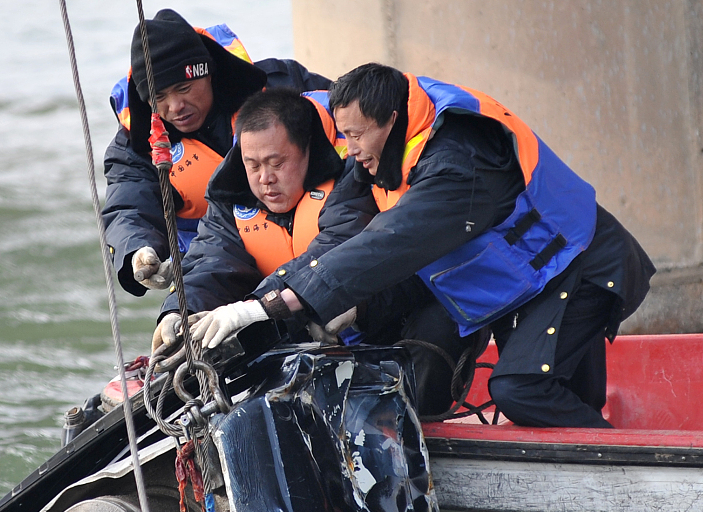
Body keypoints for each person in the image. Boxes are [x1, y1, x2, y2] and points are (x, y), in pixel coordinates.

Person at [192, 63, 655, 428]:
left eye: (354, 136)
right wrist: (311, 307)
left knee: (519, 389)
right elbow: (343, 238)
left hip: (586, 265)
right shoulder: (378, 153)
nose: (347, 149)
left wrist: (263, 306)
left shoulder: (458, 165)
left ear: (391, 121)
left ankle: (632, 476)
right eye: (342, 135)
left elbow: (386, 245)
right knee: (568, 400)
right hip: (539, 280)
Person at [153, 88, 468, 415]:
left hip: (381, 323)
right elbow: (212, 261)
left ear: (306, 151)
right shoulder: (228, 199)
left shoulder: (352, 181)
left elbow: (336, 251)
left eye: (277, 163)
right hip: (295, 331)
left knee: (436, 323)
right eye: (253, 165)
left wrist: (252, 309)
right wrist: (180, 310)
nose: (265, 178)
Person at [102, 9, 329, 299]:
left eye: (183, 88)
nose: (175, 107)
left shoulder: (282, 84)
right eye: (159, 98)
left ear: (207, 73)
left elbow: (355, 122)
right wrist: (137, 250)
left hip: (318, 246)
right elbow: (127, 207)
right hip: (217, 269)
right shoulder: (134, 146)